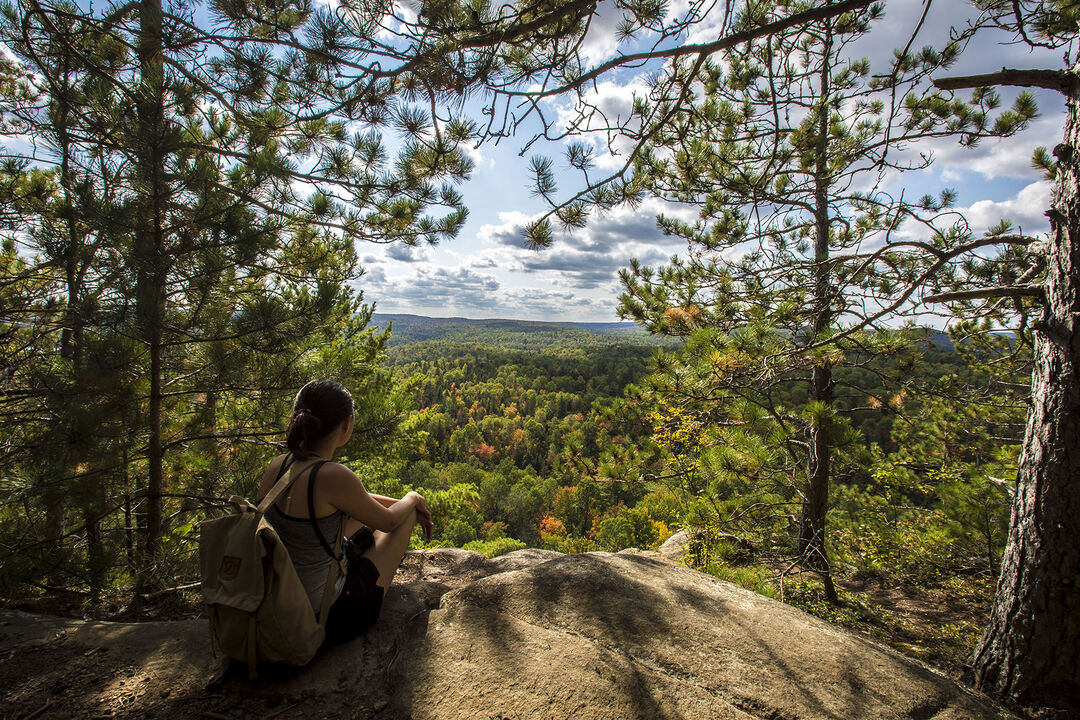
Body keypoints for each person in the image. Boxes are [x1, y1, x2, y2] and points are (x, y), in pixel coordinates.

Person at [256, 378, 433, 646]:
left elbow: (352, 501)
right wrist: (412, 499)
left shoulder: (278, 465)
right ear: (346, 424)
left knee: (389, 512)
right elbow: (388, 522)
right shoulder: (333, 476)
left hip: (274, 604)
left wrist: (398, 502)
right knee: (405, 514)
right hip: (325, 617)